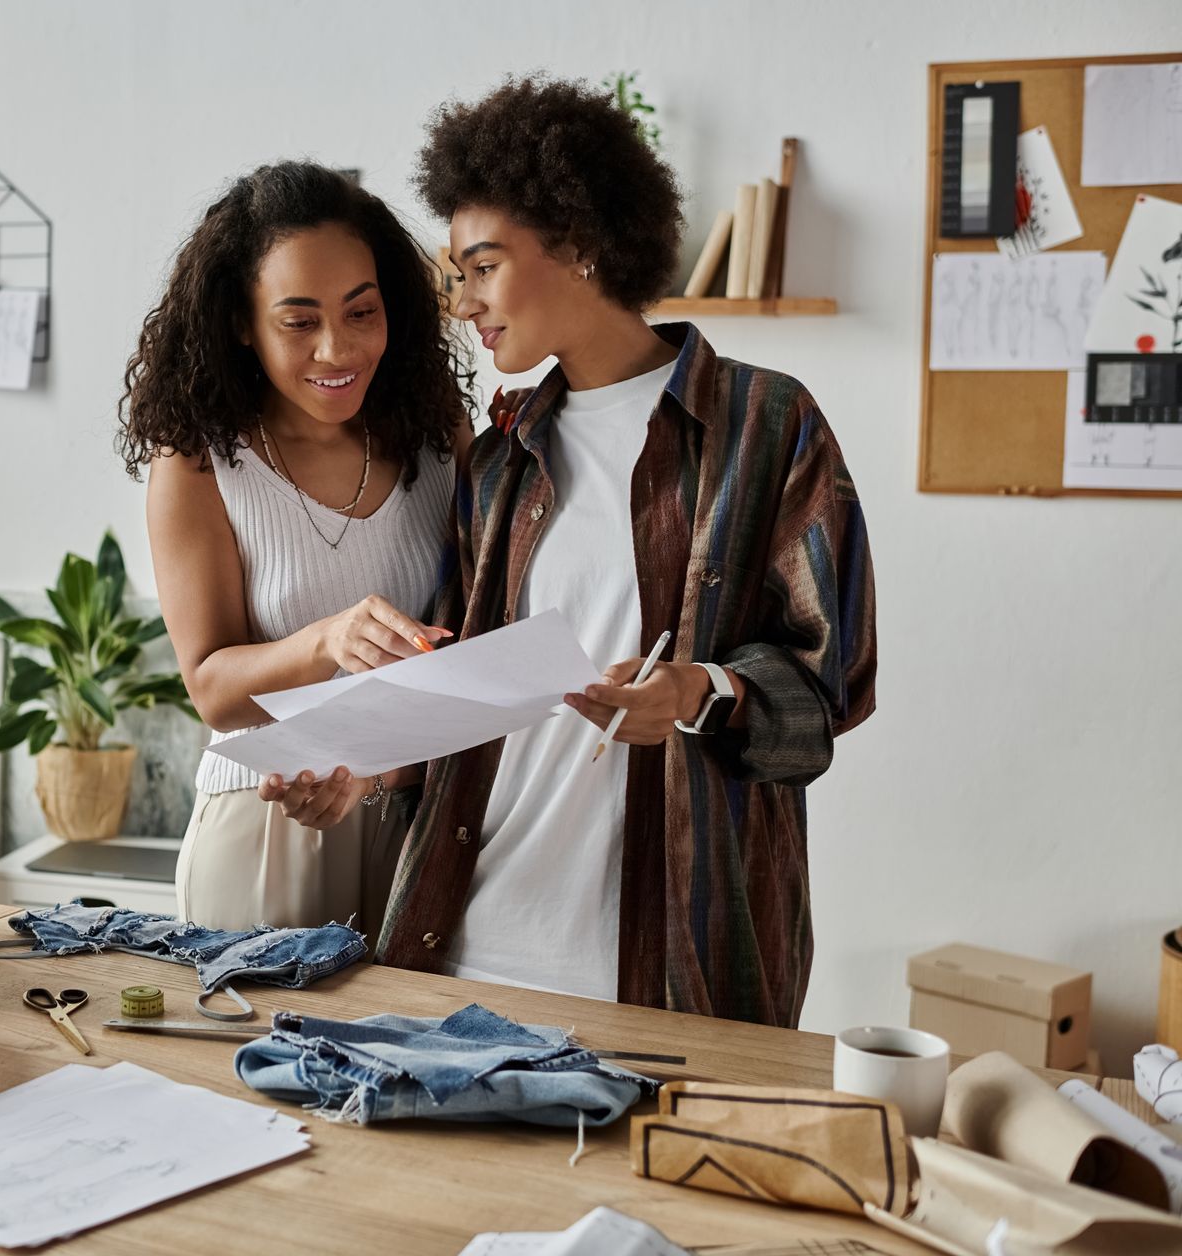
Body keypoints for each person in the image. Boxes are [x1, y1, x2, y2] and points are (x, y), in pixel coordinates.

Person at [264, 77, 877, 1028]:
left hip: (679, 957)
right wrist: (364, 774)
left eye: (484, 267)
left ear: (582, 244)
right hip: (468, 932)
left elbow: (832, 683)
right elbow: (465, 684)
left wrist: (698, 694)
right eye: (458, 273)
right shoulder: (501, 451)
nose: (463, 301)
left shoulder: (766, 424)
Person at [119, 160, 475, 937]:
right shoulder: (199, 461)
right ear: (243, 322)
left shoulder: (438, 435)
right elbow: (212, 685)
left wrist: (386, 765)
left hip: (419, 817)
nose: (336, 349)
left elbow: (475, 634)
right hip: (265, 824)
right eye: (299, 321)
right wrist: (327, 641)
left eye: (361, 312)